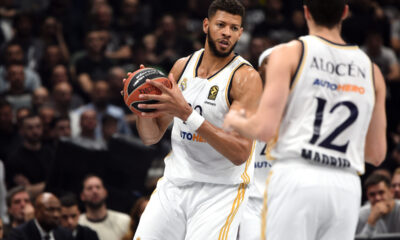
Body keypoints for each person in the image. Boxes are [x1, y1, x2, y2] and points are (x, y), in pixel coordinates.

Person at [223, 0, 387, 239]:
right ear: (345, 12)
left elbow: (265, 130)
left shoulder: (289, 53)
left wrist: (236, 120)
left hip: (298, 175)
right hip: (345, 185)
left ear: (306, 11)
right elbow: (376, 154)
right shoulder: (372, 71)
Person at [129, 0, 263, 239]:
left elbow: (240, 153)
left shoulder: (245, 78)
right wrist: (141, 107)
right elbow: (151, 136)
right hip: (175, 182)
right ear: (205, 25)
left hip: (221, 191)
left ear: (241, 33)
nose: (226, 33)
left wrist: (188, 115)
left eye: (234, 28)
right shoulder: (182, 67)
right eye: (221, 25)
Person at [238, 47, 275, 240]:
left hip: (286, 196)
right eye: (272, 62)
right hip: (252, 200)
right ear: (260, 68)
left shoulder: (297, 103)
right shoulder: (244, 103)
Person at [78, 175, 130, 240]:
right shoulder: (77, 223)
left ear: (105, 192)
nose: (94, 191)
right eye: (89, 188)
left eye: (98, 187)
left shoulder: (124, 221)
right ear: (82, 196)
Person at [7, 192, 73, 240]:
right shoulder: (19, 234)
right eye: (50, 210)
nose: (56, 215)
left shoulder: (66, 235)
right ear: (36, 212)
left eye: (58, 210)